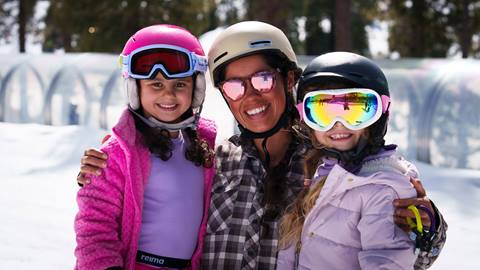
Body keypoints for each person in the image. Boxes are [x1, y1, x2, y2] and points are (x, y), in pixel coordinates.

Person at [76, 21, 447, 270]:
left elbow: (388, 230)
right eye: (235, 86)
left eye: (264, 79)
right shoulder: (215, 161)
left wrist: (427, 229)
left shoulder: (330, 166)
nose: (251, 96)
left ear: (289, 81)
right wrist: (111, 162)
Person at [74, 24, 216, 270]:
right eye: (156, 85)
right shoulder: (115, 156)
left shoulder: (203, 150)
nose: (169, 96)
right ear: (135, 90)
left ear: (197, 90)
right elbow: (94, 228)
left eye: (180, 85)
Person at [277, 52, 432, 269]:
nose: (338, 123)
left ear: (380, 114)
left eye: (355, 110)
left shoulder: (383, 190)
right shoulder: (323, 171)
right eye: (323, 112)